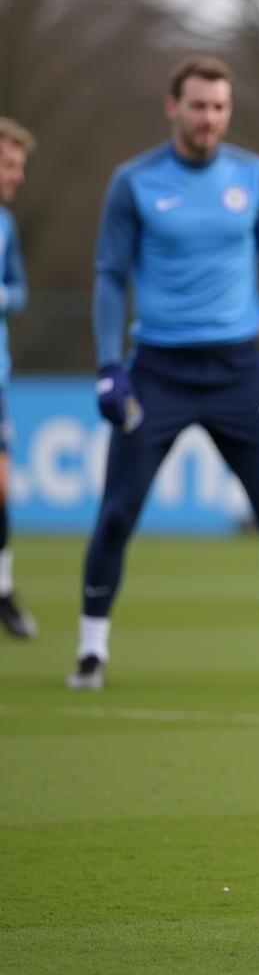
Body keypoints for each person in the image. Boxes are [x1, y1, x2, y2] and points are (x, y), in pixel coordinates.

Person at [66, 55, 259, 691]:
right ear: (173, 107)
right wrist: (109, 366)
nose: (209, 118)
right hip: (158, 371)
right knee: (118, 511)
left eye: (220, 107)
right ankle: (91, 650)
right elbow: (110, 275)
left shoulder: (252, 177)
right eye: (198, 106)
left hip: (238, 371)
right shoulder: (133, 181)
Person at [0, 118, 39, 640]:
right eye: (9, 165)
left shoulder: (5, 225)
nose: (17, 175)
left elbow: (20, 290)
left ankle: (3, 588)